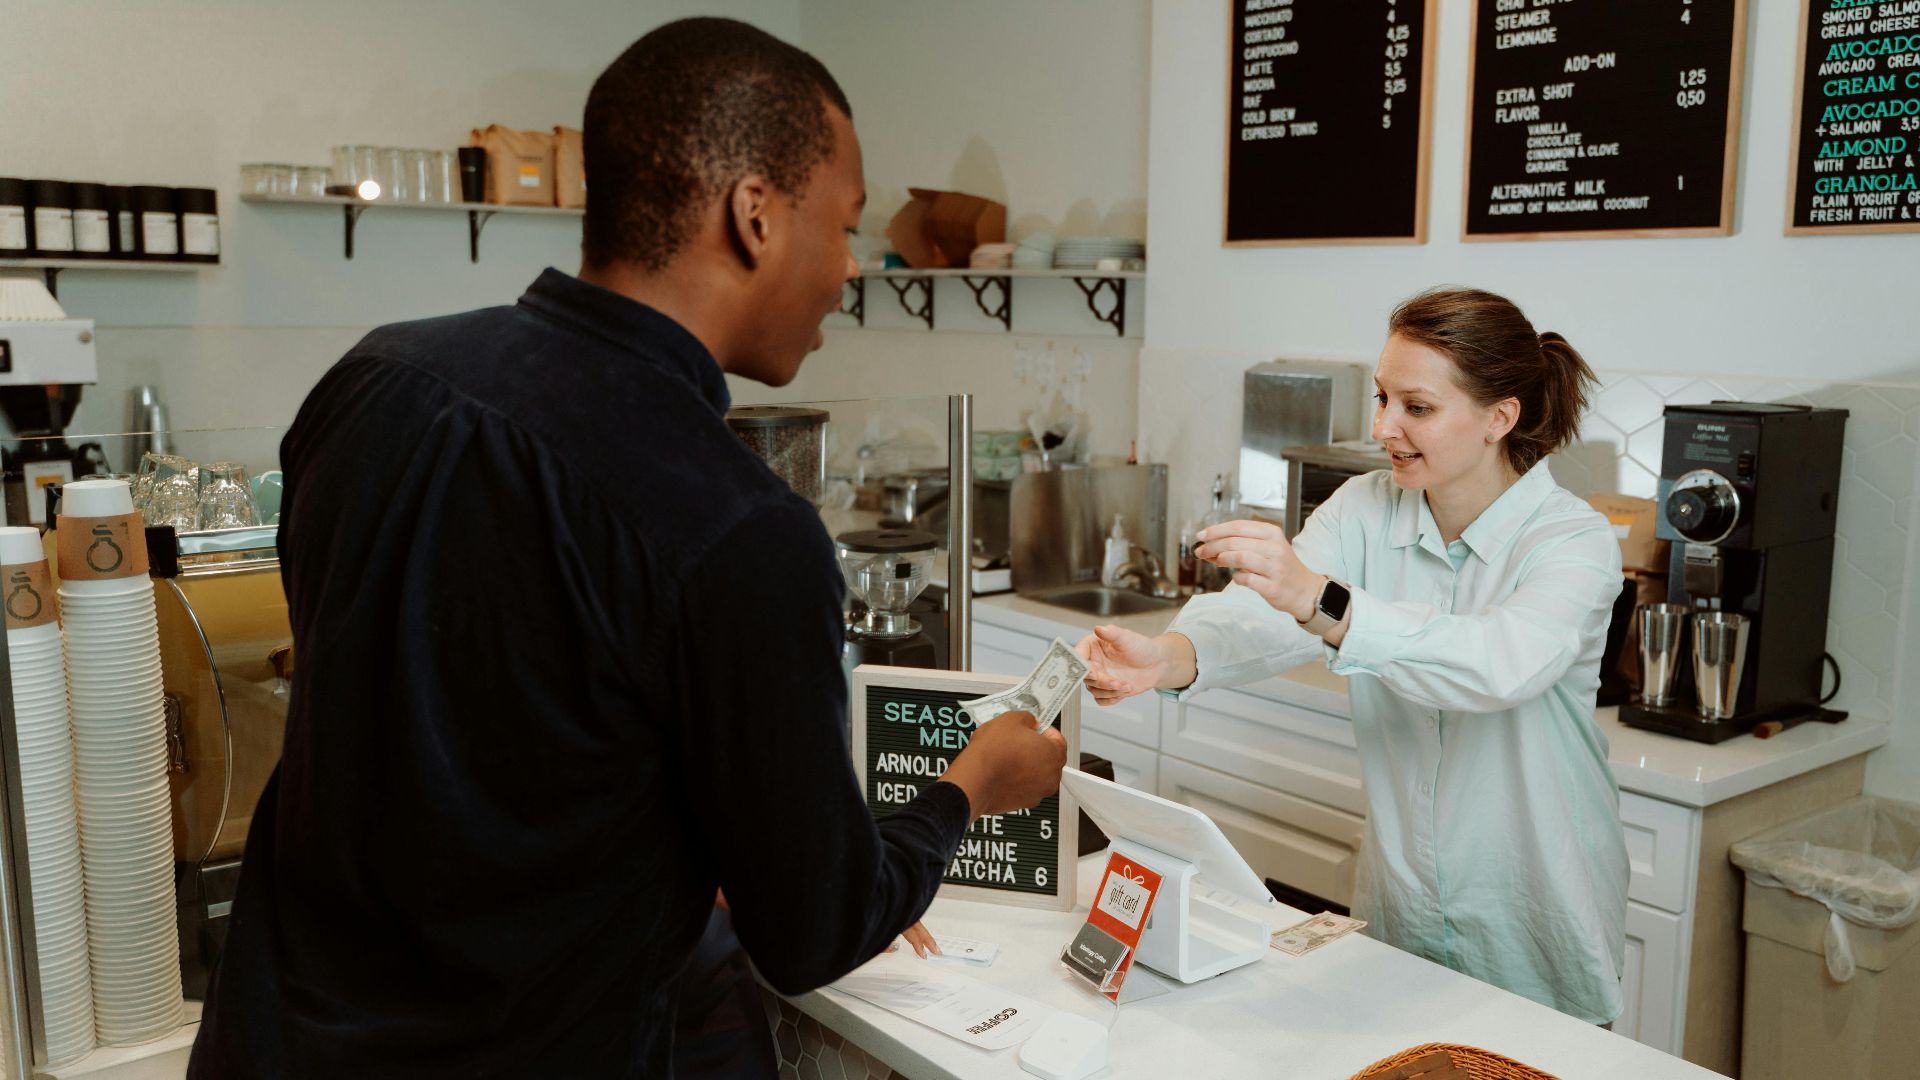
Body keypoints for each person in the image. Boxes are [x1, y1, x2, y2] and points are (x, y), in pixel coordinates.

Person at [189, 18, 1066, 1078]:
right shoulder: (736, 525)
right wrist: (971, 784)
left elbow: (477, 730)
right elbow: (813, 932)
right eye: (841, 225)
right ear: (753, 215)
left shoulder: (376, 380)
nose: (846, 269)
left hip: (276, 1041)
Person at [1078, 287, 1630, 1025]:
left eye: (1417, 407)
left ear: (1501, 417)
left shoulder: (1573, 540)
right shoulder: (1368, 507)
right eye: (1381, 399)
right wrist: (1168, 656)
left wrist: (1324, 601)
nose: (1383, 427)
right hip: (1401, 910)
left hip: (1533, 922)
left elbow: (1500, 663)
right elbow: (1266, 611)